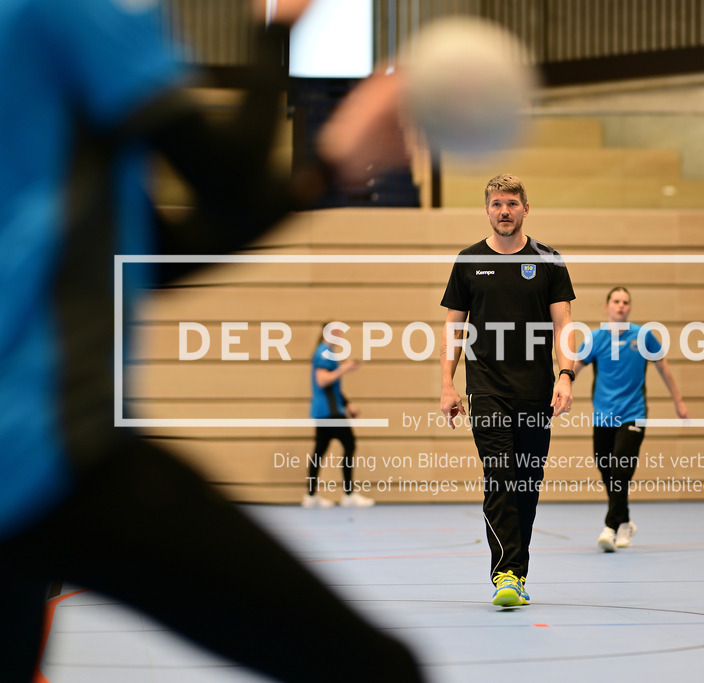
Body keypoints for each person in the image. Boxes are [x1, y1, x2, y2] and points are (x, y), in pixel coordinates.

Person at [0, 1, 420, 681]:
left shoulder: (38, 113)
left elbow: (165, 255)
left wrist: (325, 171)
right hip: (49, 453)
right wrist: (278, 31)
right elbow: (225, 183)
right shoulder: (70, 9)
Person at [439, 173, 576, 606]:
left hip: (536, 392)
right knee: (500, 477)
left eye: (512, 204)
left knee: (527, 485)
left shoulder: (549, 261)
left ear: (525, 209)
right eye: (497, 204)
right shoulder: (467, 262)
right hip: (487, 390)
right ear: (487, 210)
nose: (504, 211)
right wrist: (447, 383)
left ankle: (518, 570)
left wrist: (566, 374)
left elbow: (564, 327)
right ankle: (506, 576)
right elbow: (453, 328)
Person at [573, 286, 689, 552]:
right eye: (616, 301)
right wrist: (560, 389)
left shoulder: (644, 336)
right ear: (607, 307)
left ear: (629, 307)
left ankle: (610, 526)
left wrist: (678, 401)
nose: (620, 306)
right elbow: (574, 369)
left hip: (633, 414)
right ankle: (625, 521)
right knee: (606, 470)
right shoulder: (595, 339)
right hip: (603, 415)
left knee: (620, 469)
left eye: (625, 302)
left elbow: (664, 368)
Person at [305, 328, 374, 507]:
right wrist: (344, 368)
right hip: (329, 412)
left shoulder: (327, 353)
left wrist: (346, 404)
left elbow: (331, 387)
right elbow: (322, 380)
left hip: (327, 410)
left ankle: (310, 496)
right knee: (349, 444)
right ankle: (348, 494)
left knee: (320, 451)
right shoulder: (323, 353)